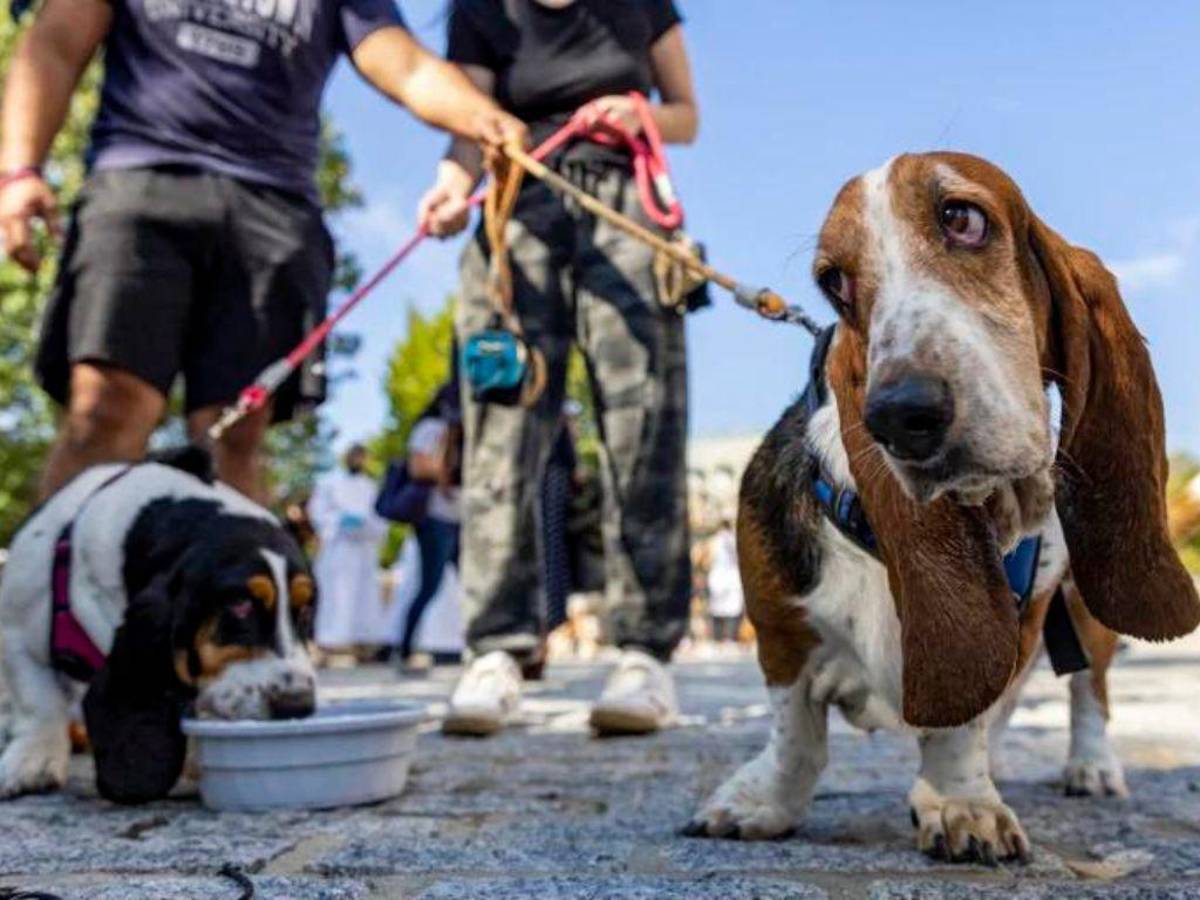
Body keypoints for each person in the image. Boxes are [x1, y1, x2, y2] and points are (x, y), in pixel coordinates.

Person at [0, 0, 527, 502]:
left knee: (235, 433)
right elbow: (55, 42)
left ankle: (225, 594)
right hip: (140, 185)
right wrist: (21, 171)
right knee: (106, 409)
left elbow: (407, 67)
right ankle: (59, 592)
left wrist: (483, 118)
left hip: (273, 212)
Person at [418, 0, 699, 736]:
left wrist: (643, 116)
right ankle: (497, 653)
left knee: (645, 424)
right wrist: (453, 183)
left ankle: (644, 654)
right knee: (499, 429)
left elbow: (687, 116)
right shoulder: (480, 12)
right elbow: (468, 123)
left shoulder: (642, 7)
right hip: (518, 207)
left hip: (625, 211)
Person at [397, 382, 463, 666]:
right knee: (430, 585)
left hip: (462, 516)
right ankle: (405, 646)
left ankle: (472, 644)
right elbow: (418, 467)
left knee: (472, 584)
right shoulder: (430, 429)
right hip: (436, 519)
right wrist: (447, 471)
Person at [308, 444, 389, 651]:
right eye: (354, 456)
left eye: (361, 457)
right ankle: (328, 643)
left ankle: (363, 644)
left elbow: (381, 518)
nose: (357, 460)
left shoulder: (371, 486)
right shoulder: (329, 483)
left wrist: (368, 526)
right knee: (335, 595)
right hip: (338, 549)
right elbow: (318, 513)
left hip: (365, 549)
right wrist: (338, 522)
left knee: (365, 598)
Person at [706, 520, 744, 645]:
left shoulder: (713, 541)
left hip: (720, 577)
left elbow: (706, 559)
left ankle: (718, 638)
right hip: (730, 577)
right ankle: (730, 637)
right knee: (729, 608)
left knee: (719, 608)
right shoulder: (735, 540)